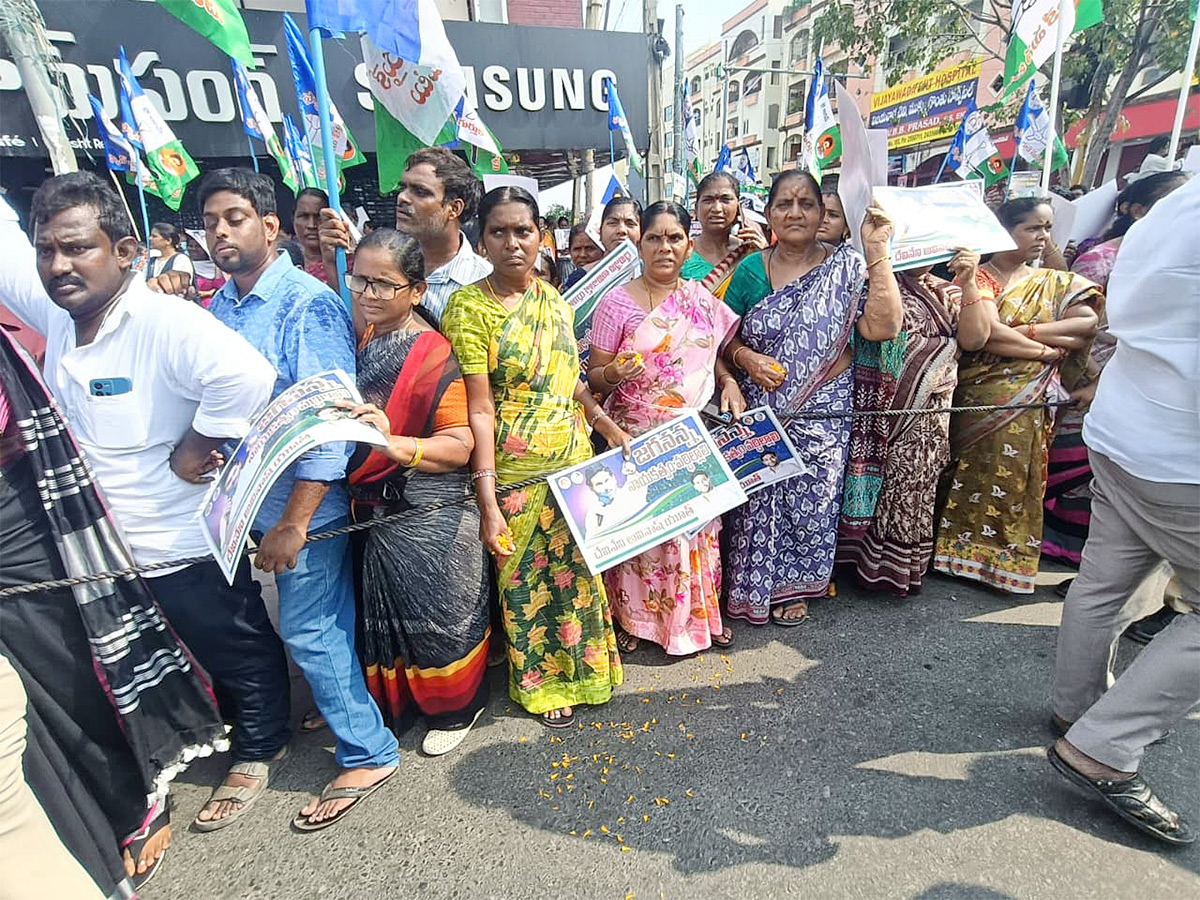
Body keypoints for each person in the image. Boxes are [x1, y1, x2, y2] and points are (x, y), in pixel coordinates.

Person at [3, 173, 265, 885]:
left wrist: (201, 441)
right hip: (102, 543)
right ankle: (203, 736)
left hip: (176, 535)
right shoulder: (62, 318)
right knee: (158, 656)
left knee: (232, 643)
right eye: (45, 250)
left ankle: (260, 747)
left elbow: (245, 376)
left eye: (76, 248)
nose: (58, 266)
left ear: (124, 250)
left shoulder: (164, 321)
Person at [198, 168, 399, 831]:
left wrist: (294, 521)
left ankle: (368, 753)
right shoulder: (221, 305)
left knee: (314, 634)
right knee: (289, 635)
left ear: (271, 226)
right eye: (211, 221)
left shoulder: (305, 305)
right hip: (245, 503)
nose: (221, 231)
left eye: (234, 218)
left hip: (300, 512)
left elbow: (329, 424)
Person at [1047, 174, 1199, 847]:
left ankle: (1076, 709)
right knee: (1110, 579)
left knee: (1106, 578)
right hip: (1181, 454)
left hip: (1126, 426)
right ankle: (1103, 745)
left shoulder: (1182, 199)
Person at [441, 186, 627, 728]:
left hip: (573, 467)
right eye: (498, 232)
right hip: (514, 478)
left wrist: (604, 421)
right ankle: (542, 686)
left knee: (579, 578)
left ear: (540, 236)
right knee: (526, 585)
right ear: (482, 240)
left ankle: (590, 673)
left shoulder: (555, 301)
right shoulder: (469, 308)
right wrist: (487, 499)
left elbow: (571, 383)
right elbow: (476, 408)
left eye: (523, 231)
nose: (513, 243)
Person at [720, 170, 902, 626]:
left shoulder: (846, 268)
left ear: (823, 213)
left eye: (807, 204)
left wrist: (876, 252)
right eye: (784, 203)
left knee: (813, 498)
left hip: (823, 412)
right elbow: (716, 338)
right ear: (769, 213)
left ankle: (796, 585)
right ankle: (752, 585)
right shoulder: (749, 270)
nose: (795, 212)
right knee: (755, 503)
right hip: (761, 409)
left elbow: (882, 328)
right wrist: (744, 361)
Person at [338, 228, 490, 757]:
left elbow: (461, 443)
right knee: (386, 615)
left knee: (440, 614)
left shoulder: (433, 356)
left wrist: (396, 444)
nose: (369, 294)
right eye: (361, 280)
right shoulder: (360, 339)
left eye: (385, 284)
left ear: (418, 291)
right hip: (377, 511)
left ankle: (458, 707)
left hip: (432, 509)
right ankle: (397, 705)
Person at [587, 201, 744, 655]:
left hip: (687, 435)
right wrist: (615, 372)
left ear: (688, 245)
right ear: (640, 243)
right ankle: (634, 620)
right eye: (654, 237)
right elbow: (594, 377)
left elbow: (714, 354)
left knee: (692, 529)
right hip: (632, 433)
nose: (664, 247)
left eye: (674, 238)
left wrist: (730, 381)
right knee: (642, 532)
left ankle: (697, 617)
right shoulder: (615, 304)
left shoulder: (700, 301)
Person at [933, 197, 1102, 595]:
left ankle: (1000, 560)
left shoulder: (1055, 281)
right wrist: (1045, 346)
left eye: (1047, 228)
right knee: (970, 475)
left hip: (1033, 402)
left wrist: (1023, 334)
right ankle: (956, 554)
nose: (1042, 237)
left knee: (1019, 481)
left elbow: (1088, 324)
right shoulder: (980, 278)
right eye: (1032, 228)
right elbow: (986, 334)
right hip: (982, 396)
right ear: (1003, 231)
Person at [1045, 172, 1190, 570]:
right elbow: (1083, 324)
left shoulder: (1174, 259)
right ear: (1135, 210)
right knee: (1079, 465)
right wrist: (1094, 376)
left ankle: (1081, 554)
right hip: (1090, 372)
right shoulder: (1102, 259)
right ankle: (1065, 545)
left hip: (1131, 381)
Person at [835, 252, 992, 597]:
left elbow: (974, 340)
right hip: (877, 405)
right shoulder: (870, 285)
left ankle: (894, 569)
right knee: (876, 477)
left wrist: (968, 282)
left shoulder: (948, 292)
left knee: (913, 482)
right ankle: (851, 561)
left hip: (929, 412)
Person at [320, 147, 491, 328]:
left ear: (454, 208)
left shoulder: (485, 282)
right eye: (403, 188)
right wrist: (332, 263)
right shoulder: (376, 265)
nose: (402, 198)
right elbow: (361, 335)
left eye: (420, 191)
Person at [681, 172, 768, 299]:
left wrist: (766, 257)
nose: (717, 208)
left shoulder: (751, 252)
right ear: (696, 208)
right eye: (708, 200)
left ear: (739, 207)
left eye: (725, 199)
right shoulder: (682, 253)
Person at [294, 187, 332, 284]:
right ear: (293, 219)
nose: (311, 225)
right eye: (304, 216)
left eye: (318, 217)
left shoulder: (346, 265)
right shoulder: (284, 263)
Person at [562, 224, 604, 291]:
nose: (582, 255)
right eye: (577, 249)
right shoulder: (567, 284)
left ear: (602, 250)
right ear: (569, 251)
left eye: (590, 248)